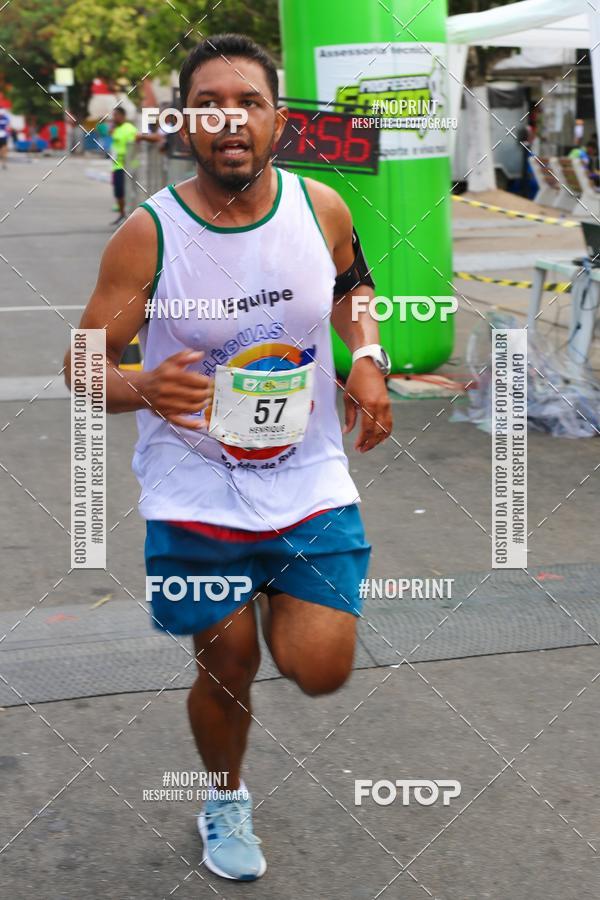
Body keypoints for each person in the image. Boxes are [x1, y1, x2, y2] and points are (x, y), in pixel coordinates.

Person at [64, 33, 392, 882]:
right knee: (229, 662)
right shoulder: (151, 235)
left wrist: (366, 360)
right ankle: (225, 795)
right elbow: (82, 362)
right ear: (187, 122)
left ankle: (281, 591)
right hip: (196, 488)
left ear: (277, 119)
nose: (231, 118)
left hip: (309, 477)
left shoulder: (322, 208)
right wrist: (141, 389)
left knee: (319, 668)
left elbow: (356, 289)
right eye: (211, 102)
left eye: (248, 100)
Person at [110, 107, 138, 225]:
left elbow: (134, 146)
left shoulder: (130, 129)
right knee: (118, 193)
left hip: (127, 166)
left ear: (122, 116)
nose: (114, 118)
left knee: (127, 192)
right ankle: (122, 214)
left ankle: (131, 217)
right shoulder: (117, 129)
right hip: (116, 166)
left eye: (116, 115)